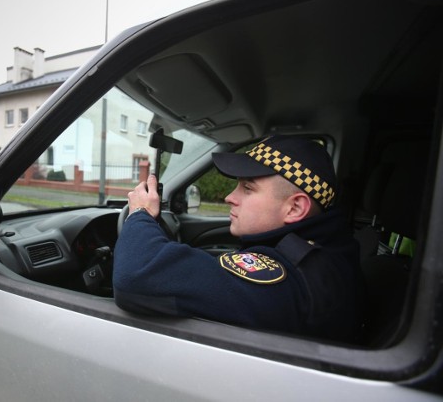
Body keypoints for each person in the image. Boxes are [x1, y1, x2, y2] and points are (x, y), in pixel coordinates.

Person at [113, 135, 363, 341]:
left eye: (248, 188)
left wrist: (141, 214)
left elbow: (137, 274)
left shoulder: (290, 279)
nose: (230, 197)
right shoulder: (323, 252)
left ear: (295, 208)